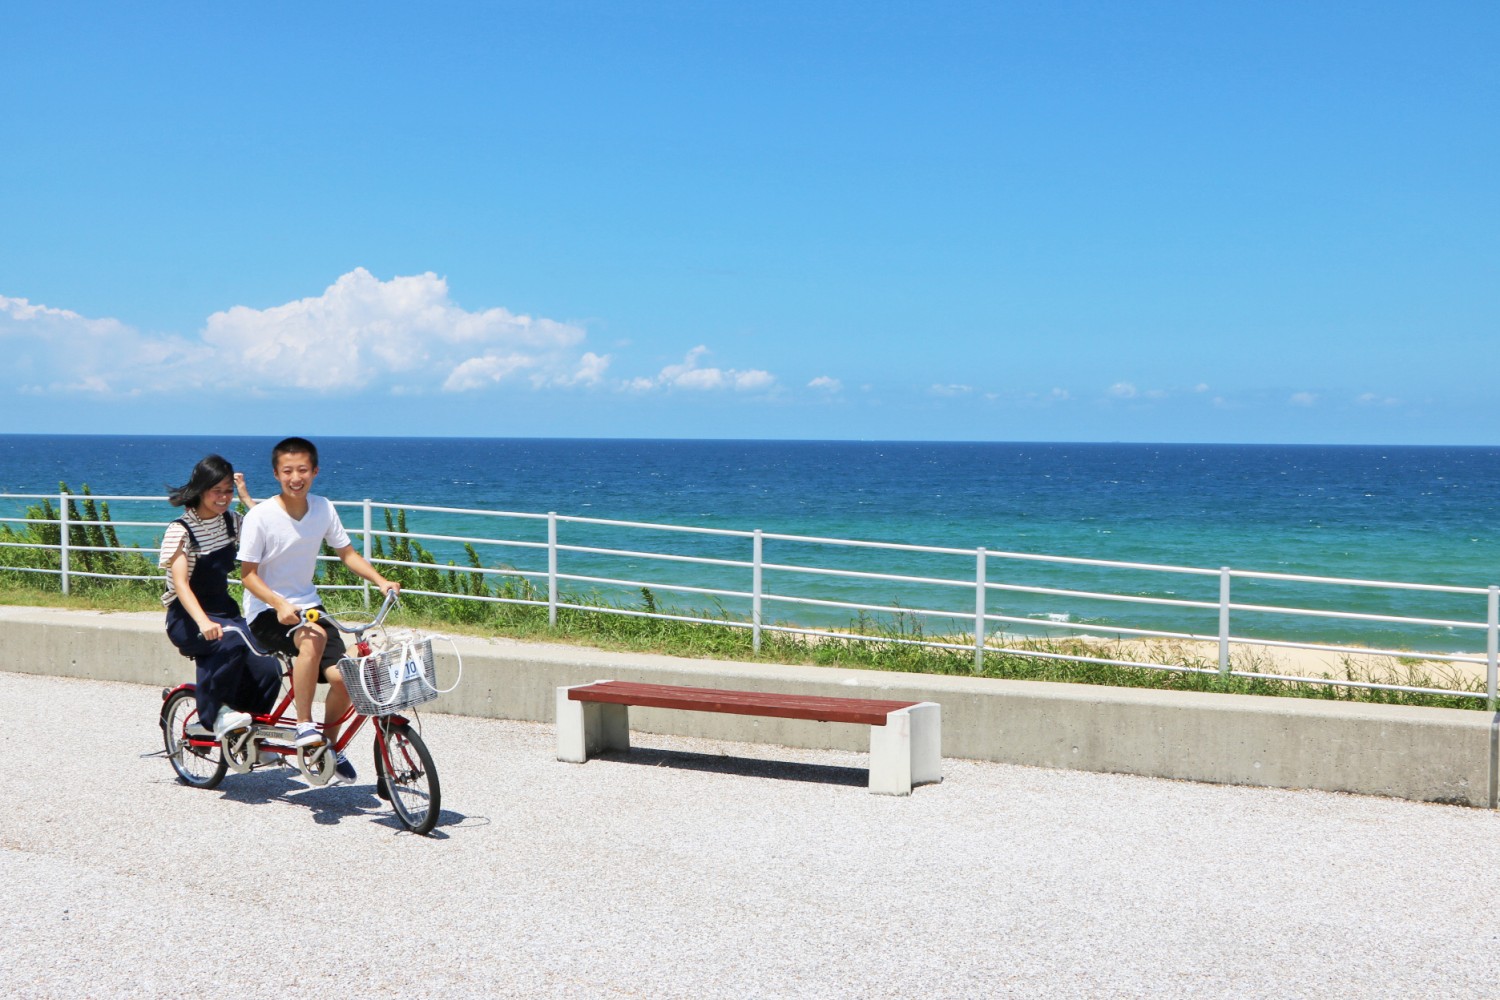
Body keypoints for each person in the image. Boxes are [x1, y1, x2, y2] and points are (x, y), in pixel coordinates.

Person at [237, 436, 399, 784]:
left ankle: (328, 747)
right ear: (276, 474)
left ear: (315, 471)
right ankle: (304, 726)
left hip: (308, 606)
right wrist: (279, 603)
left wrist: (382, 580)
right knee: (312, 638)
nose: (296, 477)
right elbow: (247, 576)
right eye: (288, 471)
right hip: (267, 611)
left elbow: (348, 554)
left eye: (303, 470)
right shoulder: (261, 517)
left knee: (347, 678)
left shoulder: (323, 508)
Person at [160, 455, 282, 740]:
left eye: (228, 491)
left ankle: (250, 731)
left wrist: (245, 497)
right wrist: (203, 622)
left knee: (268, 664)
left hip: (224, 611)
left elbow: (263, 527)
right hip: (186, 616)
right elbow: (180, 584)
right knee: (226, 641)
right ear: (201, 489)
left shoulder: (231, 522)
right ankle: (213, 715)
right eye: (217, 490)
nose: (223, 498)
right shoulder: (181, 530)